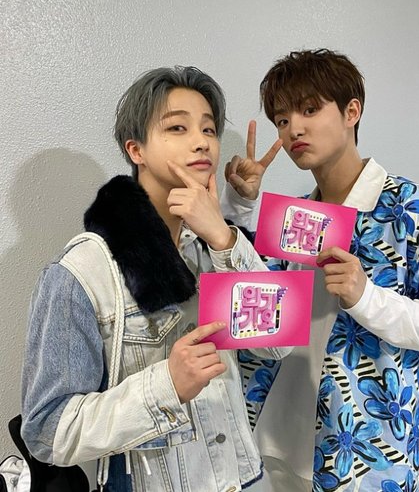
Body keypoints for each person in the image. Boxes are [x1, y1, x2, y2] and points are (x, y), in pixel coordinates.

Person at [20, 66, 290, 492]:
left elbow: (277, 343)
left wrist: (223, 236)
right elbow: (48, 432)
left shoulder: (211, 247)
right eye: (177, 127)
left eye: (208, 129)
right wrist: (166, 386)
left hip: (244, 479)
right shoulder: (82, 272)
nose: (201, 141)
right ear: (136, 150)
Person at [222, 49, 419, 491]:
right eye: (282, 119)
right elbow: (249, 306)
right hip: (273, 438)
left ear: (351, 112)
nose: (293, 128)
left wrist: (367, 298)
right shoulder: (296, 215)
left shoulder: (417, 209)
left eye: (309, 109)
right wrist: (241, 205)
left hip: (363, 454)